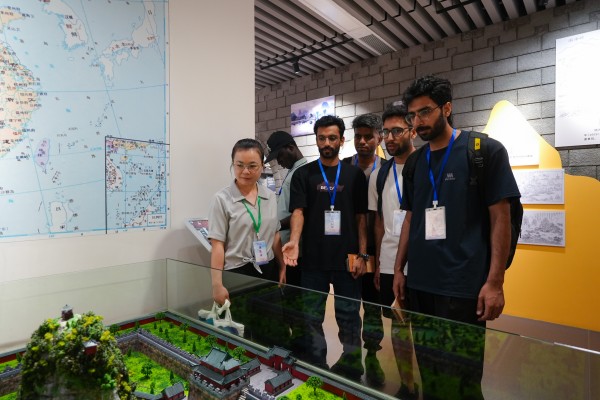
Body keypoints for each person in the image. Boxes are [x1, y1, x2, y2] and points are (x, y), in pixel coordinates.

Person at [393, 75, 521, 399]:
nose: (418, 122)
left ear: (447, 108)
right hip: (421, 286)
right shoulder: (416, 162)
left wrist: (495, 282)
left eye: (425, 112)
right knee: (431, 375)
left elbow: (501, 218)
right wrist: (398, 270)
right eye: (412, 115)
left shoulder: (484, 151)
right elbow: (410, 218)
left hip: (463, 287)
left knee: (462, 380)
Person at [283, 115, 368, 381]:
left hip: (347, 260)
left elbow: (361, 218)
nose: (327, 143)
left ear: (342, 140)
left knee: (349, 317)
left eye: (332, 138)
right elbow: (298, 212)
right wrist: (294, 241)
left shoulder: (354, 175)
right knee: (311, 317)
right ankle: (317, 365)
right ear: (317, 140)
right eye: (322, 138)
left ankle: (352, 367)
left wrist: (363, 254)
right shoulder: (304, 174)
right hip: (313, 261)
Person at [207, 138, 286, 343]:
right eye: (239, 165)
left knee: (270, 330)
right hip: (237, 273)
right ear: (232, 165)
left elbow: (274, 234)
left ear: (262, 167)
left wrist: (282, 266)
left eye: (252, 166)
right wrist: (217, 285)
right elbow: (217, 245)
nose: (245, 171)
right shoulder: (222, 199)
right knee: (241, 334)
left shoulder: (270, 196)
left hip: (267, 270)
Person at [367, 103, 419, 398]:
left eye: (396, 131)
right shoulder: (380, 173)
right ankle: (407, 384)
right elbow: (378, 221)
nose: (389, 138)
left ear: (412, 131)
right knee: (399, 326)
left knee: (425, 327)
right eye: (385, 132)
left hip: (422, 262)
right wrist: (377, 263)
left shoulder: (426, 164)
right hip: (389, 261)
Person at [342, 113, 386, 387]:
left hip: (376, 248)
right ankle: (350, 354)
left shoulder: (388, 169)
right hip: (349, 248)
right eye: (358, 136)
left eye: (368, 137)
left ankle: (372, 353)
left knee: (372, 305)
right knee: (347, 304)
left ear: (379, 138)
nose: (362, 141)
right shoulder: (344, 168)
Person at [264, 130, 308, 355]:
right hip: (282, 248)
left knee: (295, 301)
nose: (278, 162)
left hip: (293, 251)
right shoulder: (293, 172)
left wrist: (270, 225)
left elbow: (299, 213)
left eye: (279, 156)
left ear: (290, 148)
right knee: (289, 300)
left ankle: (300, 349)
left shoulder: (302, 172)